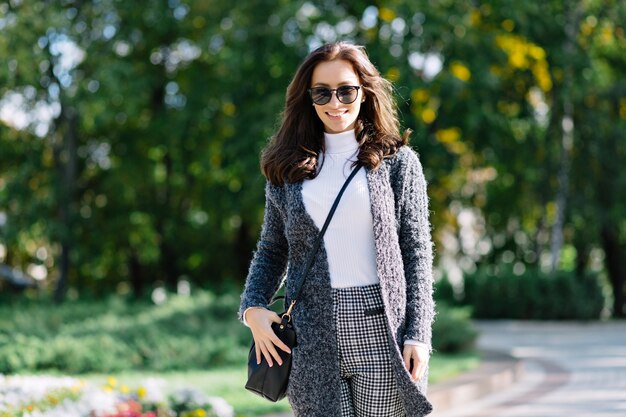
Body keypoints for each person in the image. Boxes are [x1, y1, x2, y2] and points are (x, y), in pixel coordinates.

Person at [239, 42, 435, 417]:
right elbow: (272, 249)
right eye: (322, 92)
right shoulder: (287, 168)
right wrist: (251, 308)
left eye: (346, 90)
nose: (335, 101)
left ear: (364, 91)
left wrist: (418, 334)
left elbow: (417, 253)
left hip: (383, 331)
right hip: (312, 335)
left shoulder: (398, 163)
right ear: (308, 98)